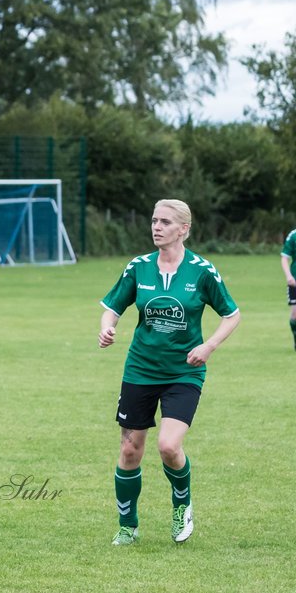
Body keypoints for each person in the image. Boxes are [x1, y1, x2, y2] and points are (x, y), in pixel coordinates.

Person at [98, 199, 240, 547]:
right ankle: (128, 526)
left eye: (165, 222)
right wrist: (107, 328)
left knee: (168, 446)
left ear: (183, 230)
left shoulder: (202, 271)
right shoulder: (139, 267)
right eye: (154, 221)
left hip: (183, 373)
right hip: (141, 369)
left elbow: (232, 314)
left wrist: (209, 347)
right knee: (131, 451)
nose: (156, 227)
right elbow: (112, 306)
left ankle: (181, 506)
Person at [281, 226, 296, 350]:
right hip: (295, 282)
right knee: (295, 315)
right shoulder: (293, 235)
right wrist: (289, 276)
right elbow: (284, 257)